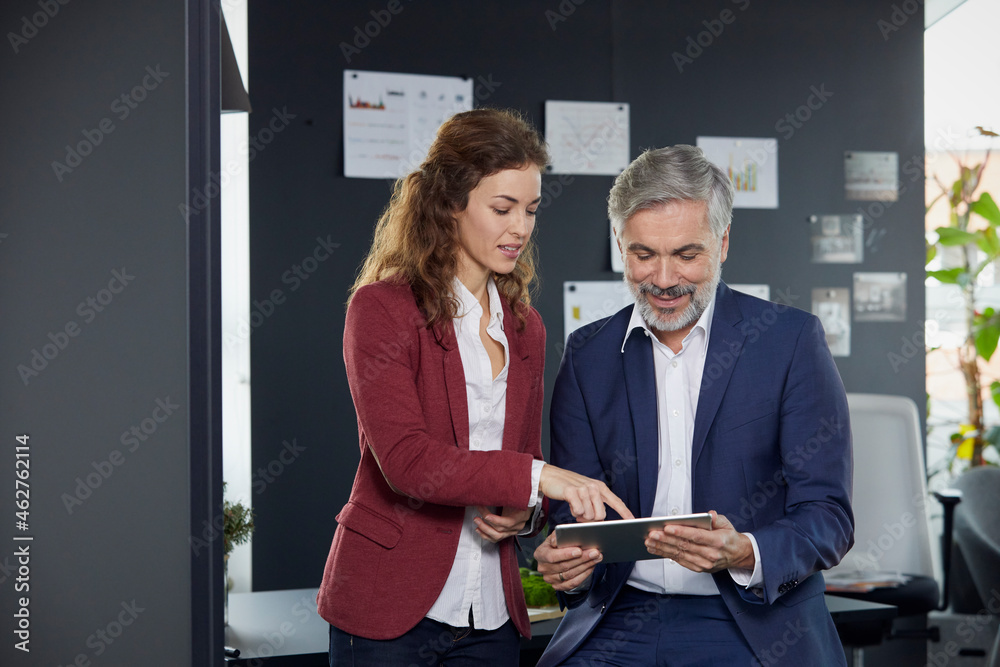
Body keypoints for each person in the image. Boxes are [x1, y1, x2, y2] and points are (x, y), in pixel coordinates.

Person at [316, 108, 631, 667]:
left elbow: (521, 459)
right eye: (503, 208)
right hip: (390, 609)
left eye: (531, 210)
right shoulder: (382, 310)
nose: (521, 228)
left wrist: (525, 513)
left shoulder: (524, 325)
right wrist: (540, 478)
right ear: (449, 204)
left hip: (490, 613)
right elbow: (407, 462)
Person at [533, 145, 854, 666]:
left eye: (687, 254)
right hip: (618, 617)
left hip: (750, 622)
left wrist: (746, 549)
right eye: (643, 255)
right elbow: (573, 510)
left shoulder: (790, 341)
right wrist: (568, 559)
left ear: (722, 243)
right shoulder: (588, 355)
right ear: (619, 244)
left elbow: (829, 516)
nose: (663, 279)